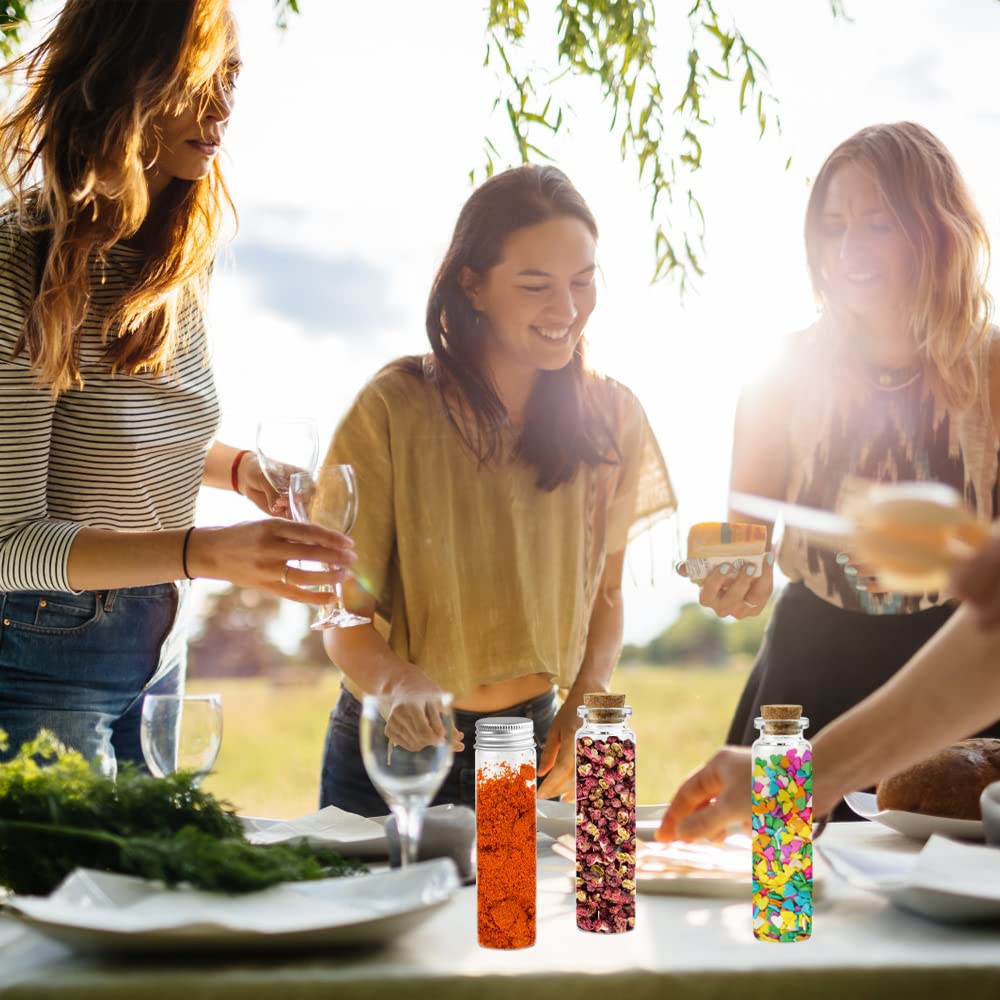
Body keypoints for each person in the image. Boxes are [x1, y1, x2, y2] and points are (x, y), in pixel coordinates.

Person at [0, 0, 354, 775]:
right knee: (67, 895)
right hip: (41, 660)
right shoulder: (18, 263)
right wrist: (208, 553)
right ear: (132, 74)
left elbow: (116, 427)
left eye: (233, 78)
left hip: (158, 654)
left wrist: (237, 471)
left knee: (154, 890)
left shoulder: (168, 262)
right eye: (201, 77)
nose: (223, 106)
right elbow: (8, 544)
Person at [318, 165, 675, 813]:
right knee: (388, 915)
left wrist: (585, 704)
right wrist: (396, 681)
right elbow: (342, 614)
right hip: (397, 747)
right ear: (472, 285)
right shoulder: (393, 407)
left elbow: (608, 594)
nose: (566, 310)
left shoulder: (612, 417)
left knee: (522, 919)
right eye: (536, 285)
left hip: (536, 746)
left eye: (583, 281)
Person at [683, 123, 1000, 817]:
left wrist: (950, 557)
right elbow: (749, 550)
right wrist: (738, 580)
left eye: (879, 222)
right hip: (811, 665)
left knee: (957, 905)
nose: (850, 249)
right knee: (789, 897)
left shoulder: (995, 369)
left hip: (961, 669)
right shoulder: (778, 379)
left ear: (935, 227)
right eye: (833, 225)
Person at [658, 532, 1000, 842]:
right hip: (811, 645)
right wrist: (802, 774)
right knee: (779, 870)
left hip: (954, 630)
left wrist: (799, 776)